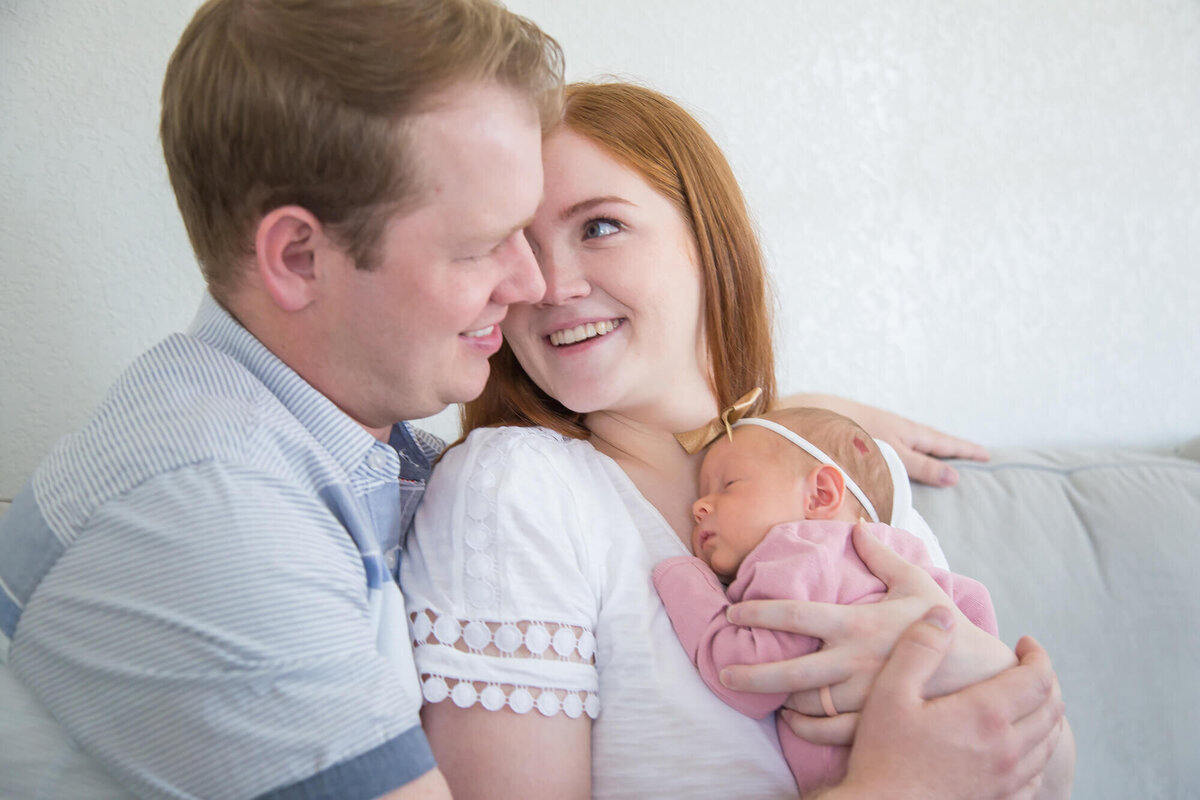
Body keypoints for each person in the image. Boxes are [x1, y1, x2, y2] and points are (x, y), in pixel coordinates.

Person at [401, 81, 1073, 798]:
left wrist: (970, 661)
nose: (551, 284)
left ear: (707, 238)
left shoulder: (824, 463)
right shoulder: (514, 487)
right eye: (516, 248)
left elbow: (1042, 772)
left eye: (599, 227)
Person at [0, 0, 563, 797]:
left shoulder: (362, 452)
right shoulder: (204, 507)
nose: (532, 283)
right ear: (299, 256)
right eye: (478, 248)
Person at [652, 405, 1005, 794]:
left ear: (821, 494)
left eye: (729, 484)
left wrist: (684, 577)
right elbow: (973, 600)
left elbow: (746, 676)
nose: (699, 507)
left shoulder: (795, 550)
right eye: (704, 492)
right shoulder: (905, 556)